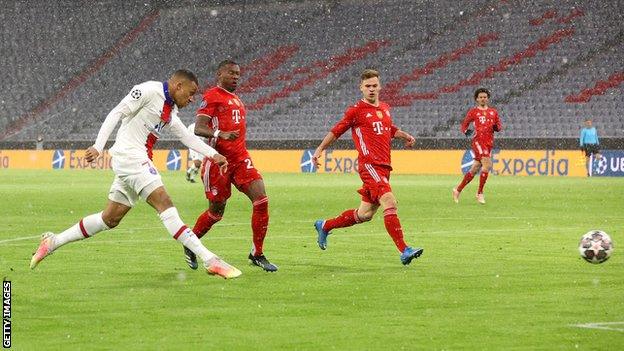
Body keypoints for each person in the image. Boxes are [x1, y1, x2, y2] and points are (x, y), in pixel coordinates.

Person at [30, 69, 242, 279]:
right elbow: (117, 112)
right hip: (131, 157)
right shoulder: (148, 91)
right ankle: (210, 260)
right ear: (178, 85)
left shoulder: (170, 110)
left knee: (110, 219)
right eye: (191, 92)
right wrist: (98, 146)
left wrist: (214, 155)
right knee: (164, 203)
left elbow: (187, 137)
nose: (192, 98)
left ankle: (53, 242)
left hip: (134, 160)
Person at [312, 69, 423, 265]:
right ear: (361, 88)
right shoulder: (356, 111)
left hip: (384, 167)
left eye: (374, 86)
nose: (371, 89)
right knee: (390, 201)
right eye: (368, 86)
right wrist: (320, 149)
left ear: (380, 86)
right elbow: (337, 130)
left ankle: (325, 225)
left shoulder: (385, 108)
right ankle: (404, 250)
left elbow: (389, 128)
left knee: (365, 215)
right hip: (369, 165)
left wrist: (405, 135)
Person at [183, 60, 277, 272]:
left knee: (261, 200)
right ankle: (191, 243)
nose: (236, 76)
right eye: (232, 73)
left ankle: (257, 253)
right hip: (218, 161)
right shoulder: (212, 96)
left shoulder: (236, 99)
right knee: (216, 214)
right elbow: (198, 128)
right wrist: (219, 134)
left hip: (240, 159)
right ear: (220, 74)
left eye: (238, 74)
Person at [452, 88, 502, 204]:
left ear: (488, 98)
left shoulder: (493, 112)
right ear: (477, 99)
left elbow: (499, 127)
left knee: (475, 169)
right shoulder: (473, 112)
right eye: (480, 97)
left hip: (489, 142)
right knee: (487, 164)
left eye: (485, 97)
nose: (483, 99)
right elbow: (464, 124)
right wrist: (466, 131)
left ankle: (457, 189)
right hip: (478, 141)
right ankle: (480, 193)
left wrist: (496, 127)